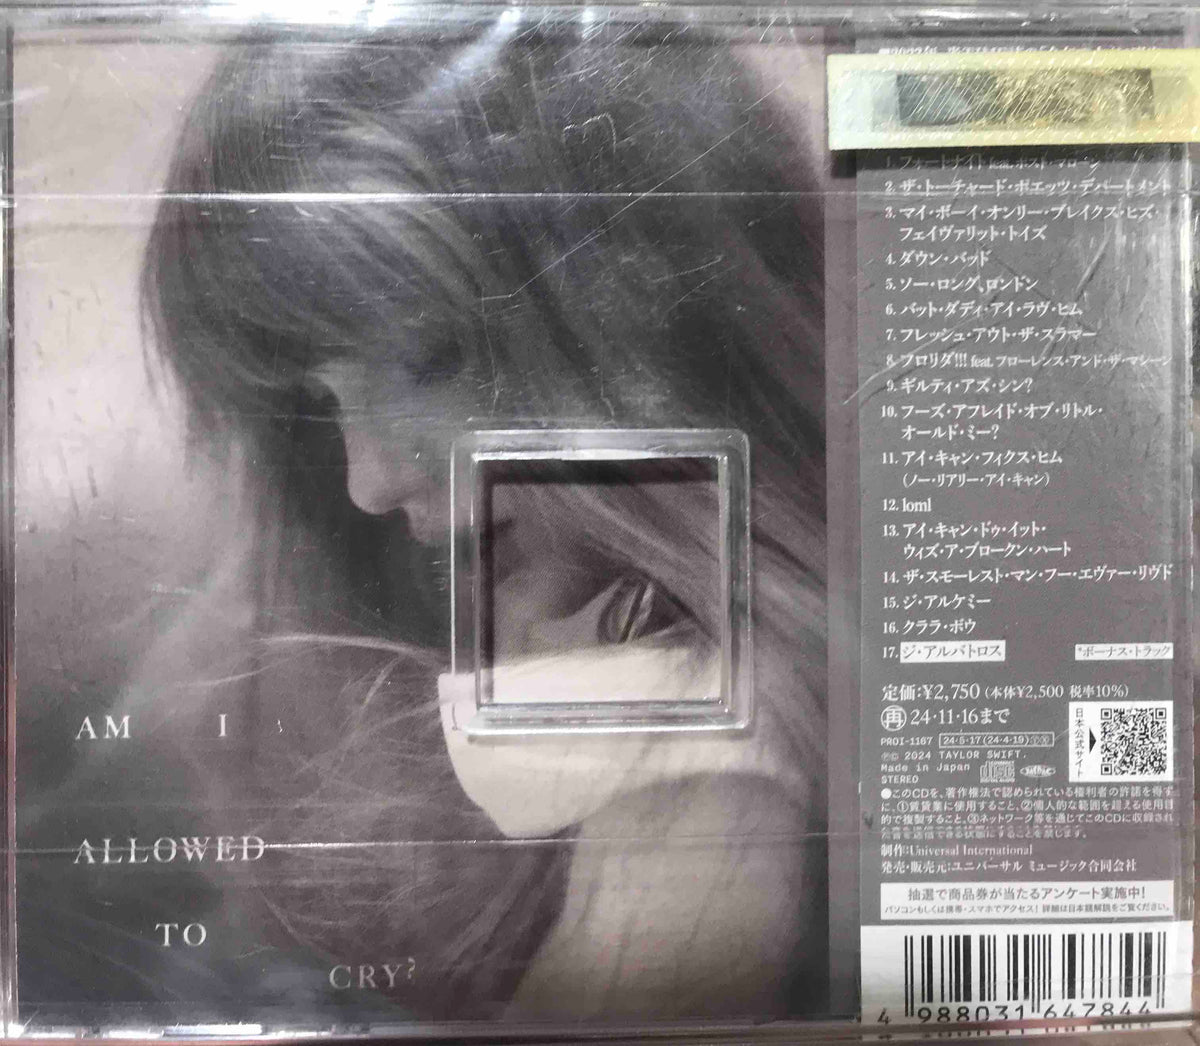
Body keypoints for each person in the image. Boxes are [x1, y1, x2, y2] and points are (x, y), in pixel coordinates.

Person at [137, 19, 829, 1022]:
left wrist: (687, 812)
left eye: (428, 358)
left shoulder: (726, 783)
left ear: (659, 321)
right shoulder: (272, 662)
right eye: (323, 399)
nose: (368, 481)